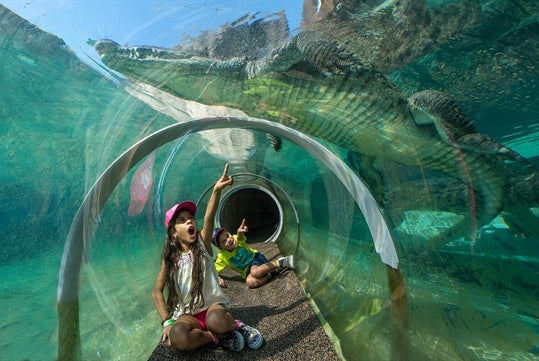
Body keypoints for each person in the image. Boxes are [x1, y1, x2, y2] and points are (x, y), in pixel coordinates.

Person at [152, 164, 263, 352]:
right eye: (182, 220)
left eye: (191, 218)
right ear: (173, 234)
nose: (189, 221)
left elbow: (210, 215)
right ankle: (213, 338)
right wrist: (167, 321)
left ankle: (236, 326)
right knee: (177, 337)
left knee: (216, 320)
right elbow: (156, 292)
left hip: (212, 308)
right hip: (188, 315)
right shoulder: (170, 259)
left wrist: (217, 190)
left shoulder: (202, 244)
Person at [212, 218, 295, 289]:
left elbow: (239, 237)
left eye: (227, 235)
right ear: (221, 248)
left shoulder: (235, 239)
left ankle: (282, 262)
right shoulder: (222, 257)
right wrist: (218, 279)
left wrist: (240, 232)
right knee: (250, 282)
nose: (228, 239)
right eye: (224, 241)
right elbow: (213, 270)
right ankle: (271, 273)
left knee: (255, 272)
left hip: (256, 259)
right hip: (248, 271)